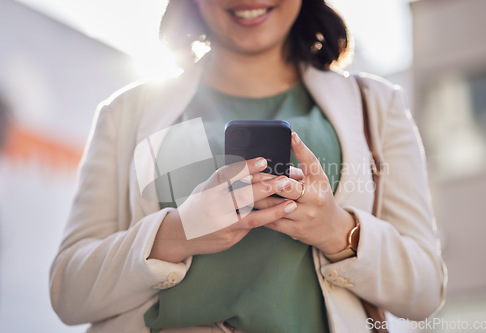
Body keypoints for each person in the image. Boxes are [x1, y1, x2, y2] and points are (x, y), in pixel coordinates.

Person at [50, 1, 447, 332]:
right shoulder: (125, 112)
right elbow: (68, 289)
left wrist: (337, 231)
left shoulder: (377, 106)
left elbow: (425, 290)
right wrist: (177, 234)